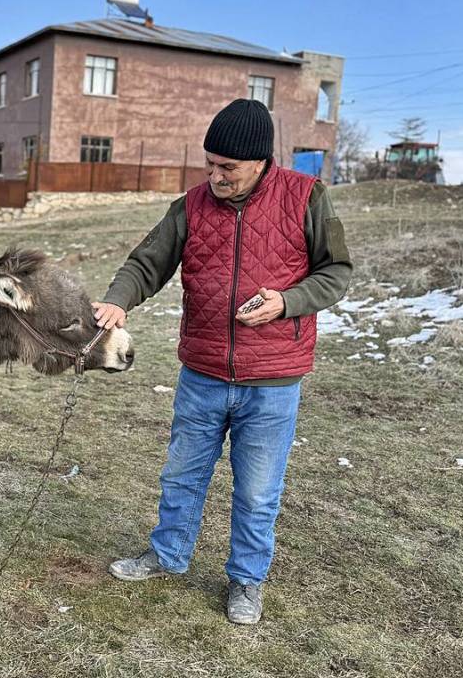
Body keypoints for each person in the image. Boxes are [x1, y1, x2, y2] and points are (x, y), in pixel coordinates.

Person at [92, 99, 353, 625]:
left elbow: (336, 272)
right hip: (203, 373)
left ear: (260, 162)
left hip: (273, 379)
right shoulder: (190, 205)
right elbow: (148, 262)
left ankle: (246, 581)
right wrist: (119, 298)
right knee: (181, 476)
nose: (215, 176)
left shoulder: (307, 196)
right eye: (210, 164)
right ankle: (167, 555)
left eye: (227, 168)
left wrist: (286, 302)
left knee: (257, 491)